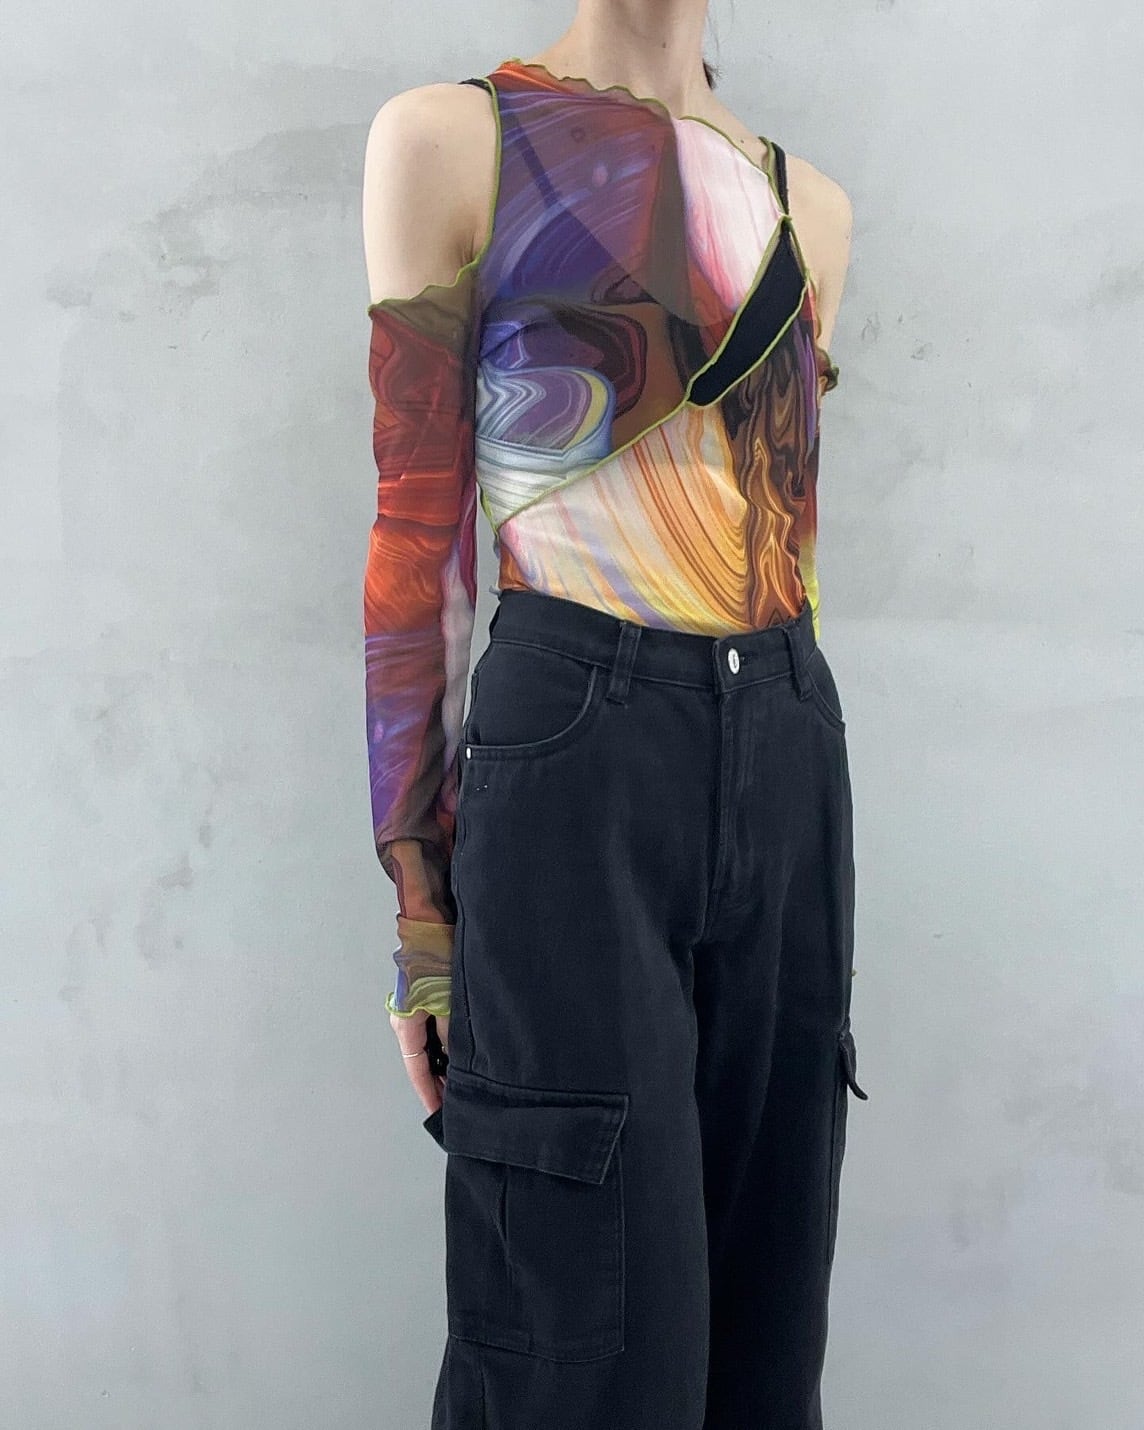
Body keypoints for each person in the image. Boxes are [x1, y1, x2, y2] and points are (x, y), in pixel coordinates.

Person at [361, 7, 866, 1426]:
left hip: (786, 737)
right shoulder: (459, 139)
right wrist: (420, 901)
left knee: (765, 1331)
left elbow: (772, 523)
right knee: (581, 1337)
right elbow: (416, 539)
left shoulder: (810, 208)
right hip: (574, 743)